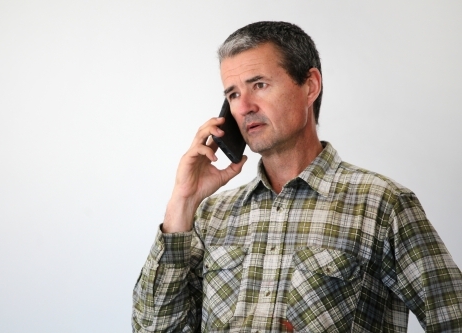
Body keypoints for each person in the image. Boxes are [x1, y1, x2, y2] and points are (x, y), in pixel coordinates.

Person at [132, 21, 462, 332]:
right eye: (232, 94)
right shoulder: (212, 214)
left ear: (310, 86)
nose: (244, 106)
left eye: (258, 85)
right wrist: (182, 202)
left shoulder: (382, 205)